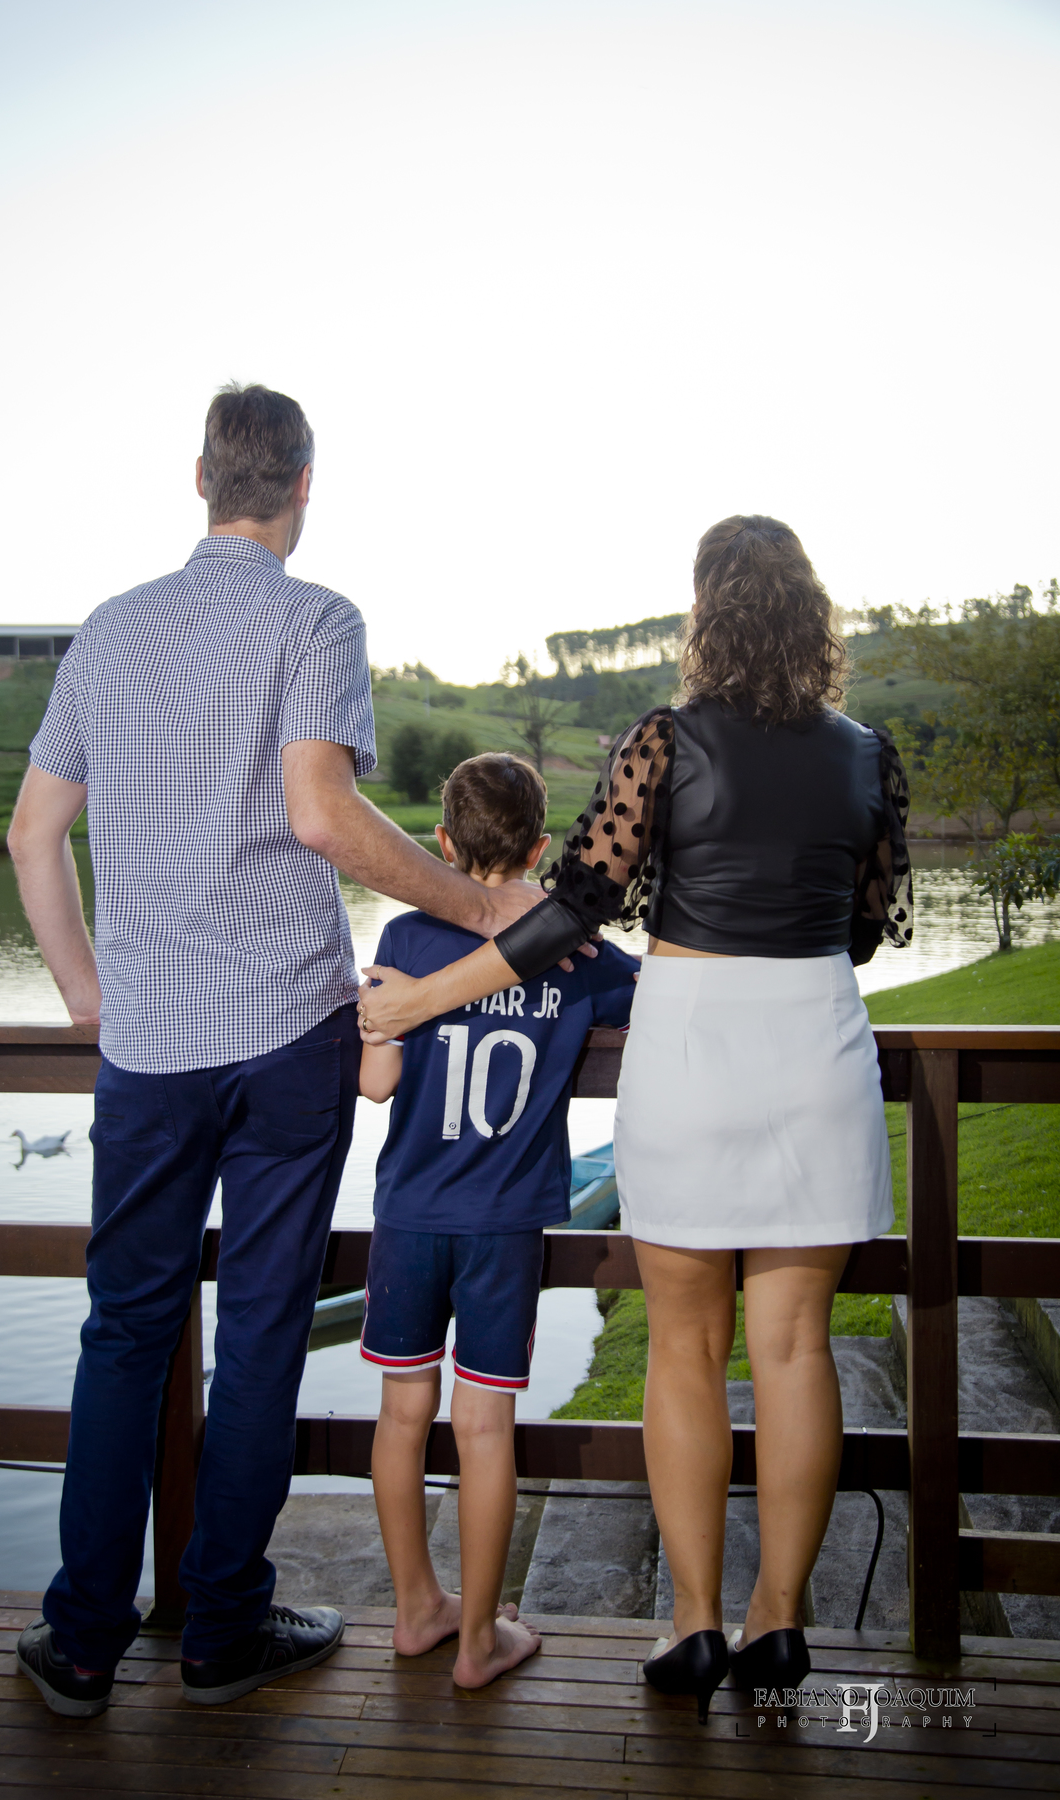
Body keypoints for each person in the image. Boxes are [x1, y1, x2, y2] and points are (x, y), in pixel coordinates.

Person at [6, 382, 543, 1718]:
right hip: (290, 1037)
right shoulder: (317, 618)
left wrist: (87, 991)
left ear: (200, 478)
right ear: (305, 485)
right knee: (255, 1337)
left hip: (149, 1047)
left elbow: (32, 835)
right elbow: (321, 814)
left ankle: (84, 1641)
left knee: (124, 1331)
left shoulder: (109, 631)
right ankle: (219, 1634)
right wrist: (479, 908)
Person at [357, 515, 911, 1724]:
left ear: (707, 611)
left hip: (692, 1048)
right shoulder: (870, 754)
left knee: (684, 1349)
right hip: (816, 1046)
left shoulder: (664, 740)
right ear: (811, 613)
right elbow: (868, 928)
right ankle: (781, 1619)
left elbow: (569, 912)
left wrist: (423, 1000)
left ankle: (695, 1623)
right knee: (797, 1348)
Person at [355, 752, 640, 1686]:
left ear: (442, 843)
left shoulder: (405, 935)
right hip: (504, 1224)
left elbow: (376, 1082)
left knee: (403, 1415)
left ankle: (414, 1611)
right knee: (484, 1429)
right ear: (540, 849)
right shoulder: (577, 954)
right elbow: (658, 995)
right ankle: (479, 1640)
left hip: (409, 1214)